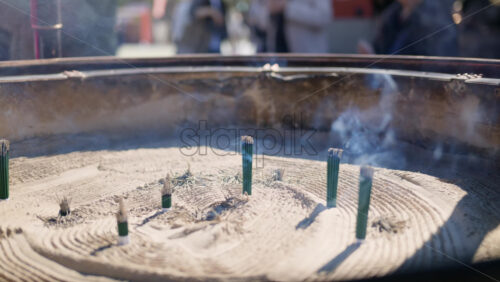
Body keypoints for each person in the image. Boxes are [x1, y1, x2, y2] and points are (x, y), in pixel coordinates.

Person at [359, 0, 458, 56]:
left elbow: (437, 64)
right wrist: (371, 57)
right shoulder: (392, 14)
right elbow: (379, 49)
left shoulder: (437, 17)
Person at [248, 0, 332, 53]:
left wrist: (287, 7)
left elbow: (324, 16)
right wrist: (268, 11)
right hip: (276, 57)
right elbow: (259, 22)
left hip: (308, 59)